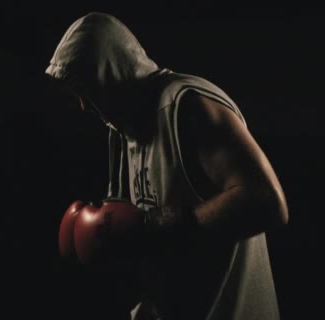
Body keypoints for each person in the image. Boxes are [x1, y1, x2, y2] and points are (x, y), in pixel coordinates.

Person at [46, 12, 288, 320]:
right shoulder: (122, 130)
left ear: (111, 71)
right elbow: (138, 238)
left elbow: (267, 201)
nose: (83, 105)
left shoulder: (186, 105)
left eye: (86, 88)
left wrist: (153, 226)